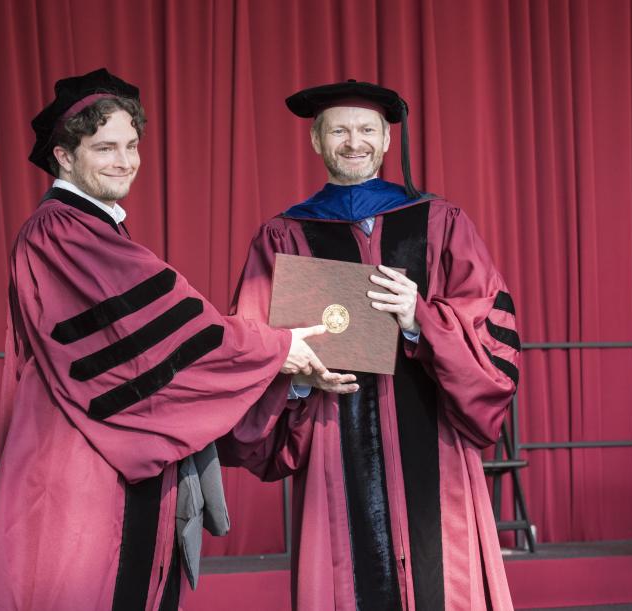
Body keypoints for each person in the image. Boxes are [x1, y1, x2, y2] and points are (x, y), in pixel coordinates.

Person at [0, 68, 344, 610]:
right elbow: (172, 325)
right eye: (104, 147)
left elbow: (158, 338)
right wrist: (278, 348)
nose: (124, 160)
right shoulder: (61, 231)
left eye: (132, 145)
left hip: (99, 450)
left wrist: (280, 356)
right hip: (84, 460)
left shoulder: (91, 228)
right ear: (64, 157)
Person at [219, 79, 520, 610]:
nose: (352, 141)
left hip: (434, 436)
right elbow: (255, 337)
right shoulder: (284, 234)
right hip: (336, 434)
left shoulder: (440, 221)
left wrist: (419, 318)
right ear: (316, 141)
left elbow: (485, 319)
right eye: (338, 130)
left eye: (365, 130)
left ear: (385, 140)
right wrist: (295, 377)